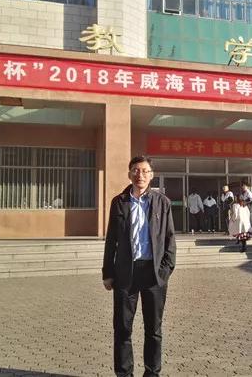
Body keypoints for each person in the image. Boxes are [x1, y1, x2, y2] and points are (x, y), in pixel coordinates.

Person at [102, 155, 176, 377]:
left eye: (144, 171)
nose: (140, 175)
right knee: (123, 328)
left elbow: (169, 239)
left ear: (151, 175)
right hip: (126, 273)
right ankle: (124, 373)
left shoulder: (162, 202)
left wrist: (165, 270)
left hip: (153, 273)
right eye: (135, 170)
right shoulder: (119, 202)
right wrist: (108, 272)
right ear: (129, 174)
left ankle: (152, 373)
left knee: (153, 329)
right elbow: (111, 240)